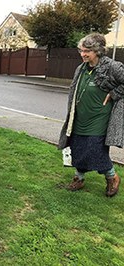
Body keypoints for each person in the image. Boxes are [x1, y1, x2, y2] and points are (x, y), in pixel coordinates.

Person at [58, 33, 123, 197]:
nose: (83, 54)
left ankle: (112, 177)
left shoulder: (111, 67)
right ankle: (79, 178)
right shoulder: (81, 68)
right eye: (81, 50)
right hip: (80, 116)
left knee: (95, 149)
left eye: (87, 51)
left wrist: (114, 93)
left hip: (100, 118)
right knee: (77, 147)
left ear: (98, 51)